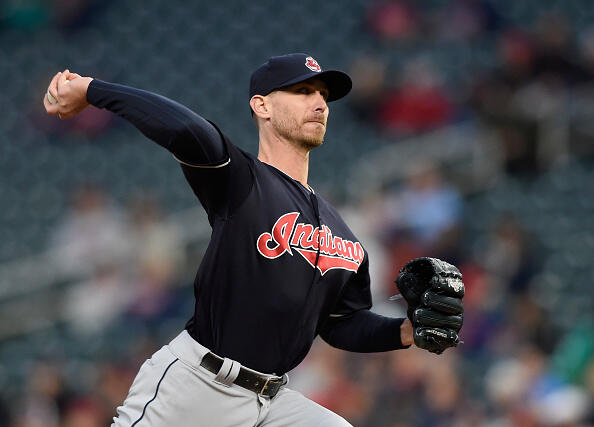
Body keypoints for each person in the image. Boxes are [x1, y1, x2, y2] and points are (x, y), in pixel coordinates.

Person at [43, 53, 416, 426]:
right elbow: (188, 131)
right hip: (199, 387)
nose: (319, 102)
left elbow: (340, 323)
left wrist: (406, 330)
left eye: (322, 95)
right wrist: (94, 90)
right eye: (303, 91)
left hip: (272, 402)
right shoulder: (242, 182)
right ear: (262, 105)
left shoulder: (341, 232)